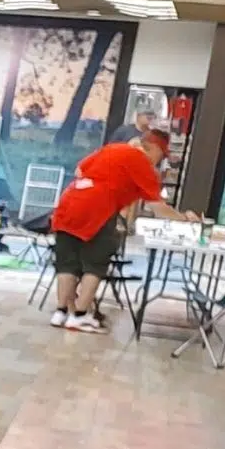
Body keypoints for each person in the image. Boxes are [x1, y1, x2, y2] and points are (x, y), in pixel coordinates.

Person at [47, 129, 202, 333]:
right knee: (95, 264)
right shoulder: (142, 163)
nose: (159, 162)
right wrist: (184, 218)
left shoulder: (112, 148)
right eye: (161, 156)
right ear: (154, 149)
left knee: (67, 263)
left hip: (69, 202)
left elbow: (79, 171)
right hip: (97, 208)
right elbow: (158, 207)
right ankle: (80, 315)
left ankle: (60, 312)